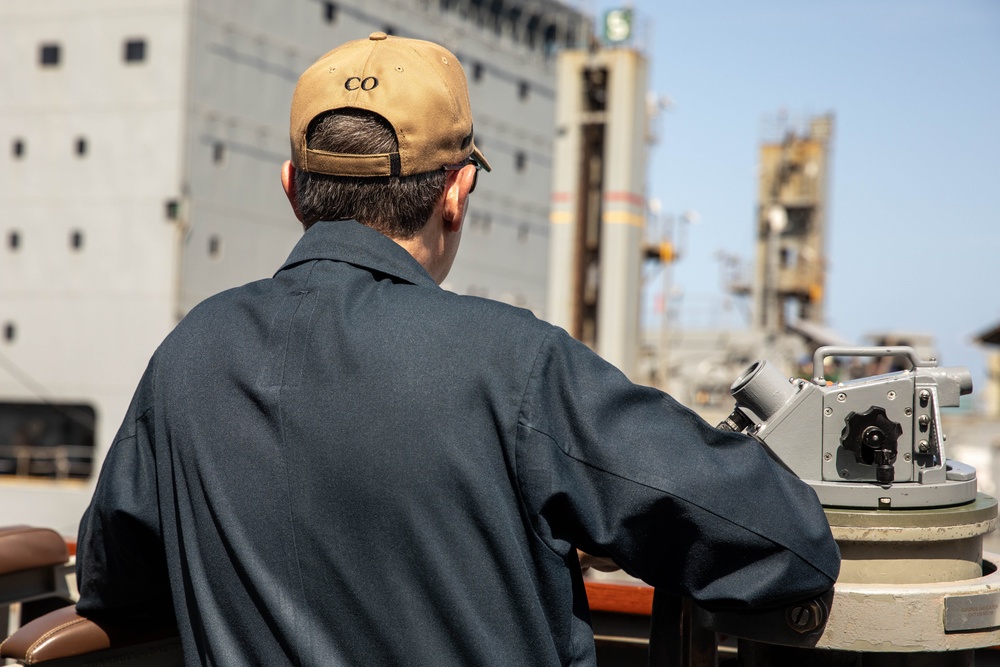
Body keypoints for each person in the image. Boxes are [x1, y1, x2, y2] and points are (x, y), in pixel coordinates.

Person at [75, 33, 839, 666]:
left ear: (292, 188)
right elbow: (786, 544)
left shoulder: (189, 353)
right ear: (457, 192)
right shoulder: (516, 366)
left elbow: (114, 583)